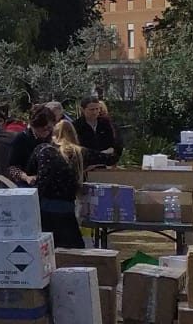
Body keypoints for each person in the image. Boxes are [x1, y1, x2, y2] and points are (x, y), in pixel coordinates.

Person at [22, 118, 87, 248]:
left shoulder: (43, 149)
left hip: (45, 206)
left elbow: (29, 169)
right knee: (73, 249)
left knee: (47, 248)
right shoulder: (79, 152)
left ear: (53, 135)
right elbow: (107, 158)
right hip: (67, 208)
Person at [9, 106, 55, 174]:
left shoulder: (54, 136)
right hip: (29, 180)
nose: (46, 132)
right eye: (42, 129)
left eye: (49, 128)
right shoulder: (21, 139)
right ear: (33, 126)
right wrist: (25, 177)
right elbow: (12, 168)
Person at [79, 99, 121, 168]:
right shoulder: (76, 126)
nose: (95, 112)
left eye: (97, 109)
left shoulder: (105, 124)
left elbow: (113, 145)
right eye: (91, 109)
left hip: (105, 166)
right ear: (83, 110)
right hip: (86, 166)